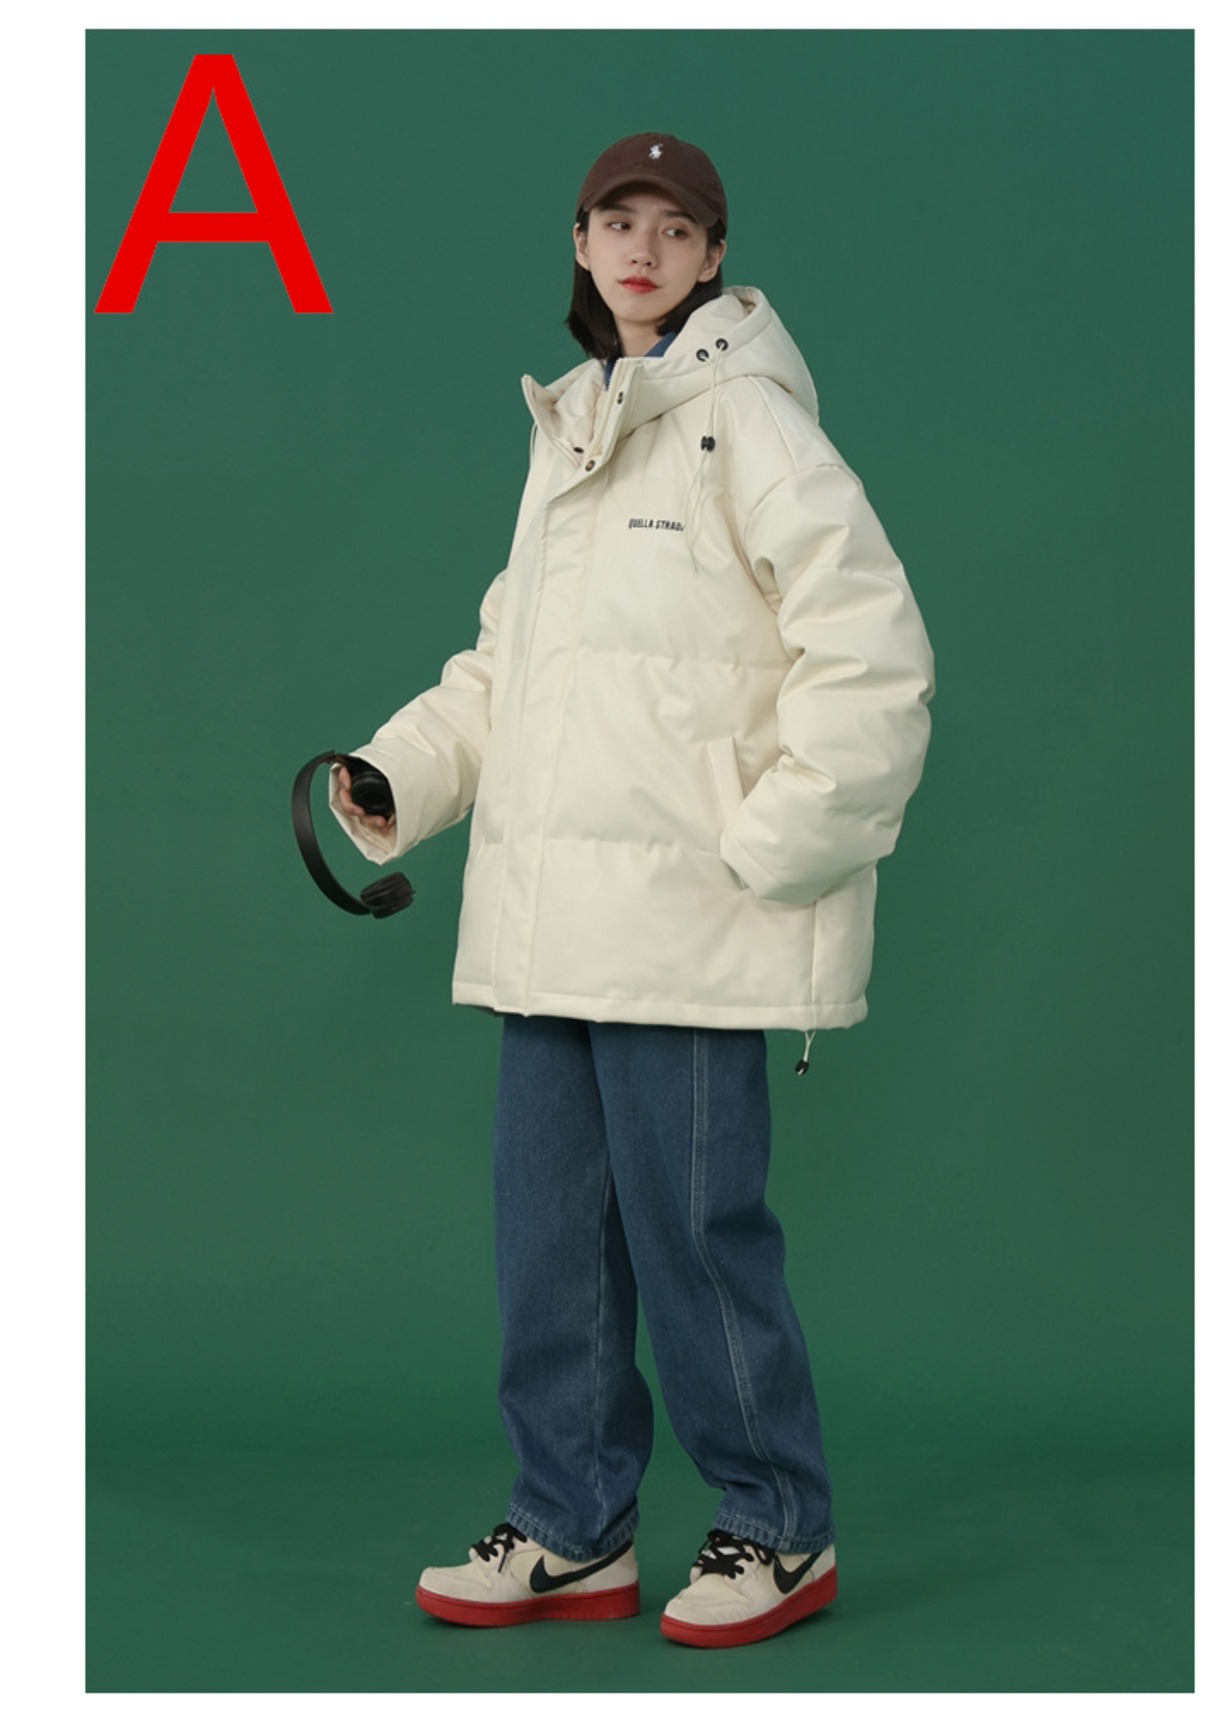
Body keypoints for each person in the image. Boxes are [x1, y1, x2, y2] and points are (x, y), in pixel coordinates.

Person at [330, 132, 935, 1649]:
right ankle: (570, 1524)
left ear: (714, 257)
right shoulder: (578, 428)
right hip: (552, 927)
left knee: (696, 1238)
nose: (644, 249)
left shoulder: (751, 422)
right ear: (582, 243)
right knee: (549, 1244)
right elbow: (511, 664)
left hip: (690, 931)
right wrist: (401, 773)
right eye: (619, 222)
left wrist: (774, 846)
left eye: (676, 227)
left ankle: (779, 1526)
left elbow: (876, 653)